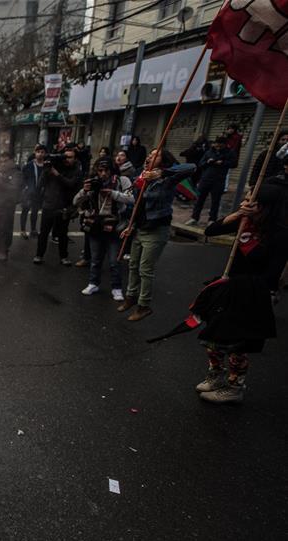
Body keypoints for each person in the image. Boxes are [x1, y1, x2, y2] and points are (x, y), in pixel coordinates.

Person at [195, 182, 287, 403]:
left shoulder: (280, 234)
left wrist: (243, 289)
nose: (245, 203)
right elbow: (211, 230)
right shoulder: (244, 222)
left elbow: (272, 275)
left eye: (251, 202)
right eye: (245, 199)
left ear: (266, 206)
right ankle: (215, 375)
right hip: (229, 286)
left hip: (251, 294)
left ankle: (234, 386)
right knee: (212, 337)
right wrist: (236, 215)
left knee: (236, 344)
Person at [118, 149, 195, 321]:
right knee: (133, 265)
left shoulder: (168, 179)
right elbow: (138, 206)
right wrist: (131, 226)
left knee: (145, 269)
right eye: (150, 155)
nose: (150, 157)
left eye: (155, 155)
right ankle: (130, 297)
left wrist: (161, 173)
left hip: (156, 230)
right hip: (140, 228)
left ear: (163, 160)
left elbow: (191, 167)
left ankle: (143, 306)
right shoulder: (141, 176)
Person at [73, 157, 133, 300]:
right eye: (100, 171)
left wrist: (112, 193)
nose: (103, 174)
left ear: (112, 171)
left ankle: (117, 287)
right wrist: (85, 191)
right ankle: (93, 283)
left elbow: (131, 199)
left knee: (114, 261)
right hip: (95, 226)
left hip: (114, 226)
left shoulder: (121, 181)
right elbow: (75, 201)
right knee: (95, 259)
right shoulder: (93, 182)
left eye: (107, 170)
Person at [34, 147, 81, 265]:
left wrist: (57, 174)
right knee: (44, 232)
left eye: (70, 157)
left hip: (63, 206)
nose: (66, 159)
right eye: (65, 156)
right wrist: (45, 171)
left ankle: (64, 257)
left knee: (62, 234)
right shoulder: (53, 166)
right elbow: (39, 185)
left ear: (75, 159)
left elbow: (71, 184)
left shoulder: (75, 170)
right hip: (49, 205)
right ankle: (39, 255)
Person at [187, 136, 237, 226]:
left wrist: (222, 163)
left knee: (215, 201)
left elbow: (234, 164)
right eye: (216, 145)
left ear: (224, 145)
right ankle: (194, 217)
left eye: (220, 146)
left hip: (219, 180)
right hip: (205, 179)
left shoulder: (230, 153)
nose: (217, 147)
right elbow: (200, 164)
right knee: (199, 200)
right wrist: (208, 162)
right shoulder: (209, 152)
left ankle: (212, 219)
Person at [20, 144, 46, 239]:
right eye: (38, 152)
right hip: (28, 193)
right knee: (25, 211)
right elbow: (23, 178)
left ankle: (33, 230)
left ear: (45, 154)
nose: (40, 154)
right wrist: (26, 187)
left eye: (42, 152)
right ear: (35, 153)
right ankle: (23, 230)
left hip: (39, 194)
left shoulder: (46, 166)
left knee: (35, 212)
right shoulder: (29, 165)